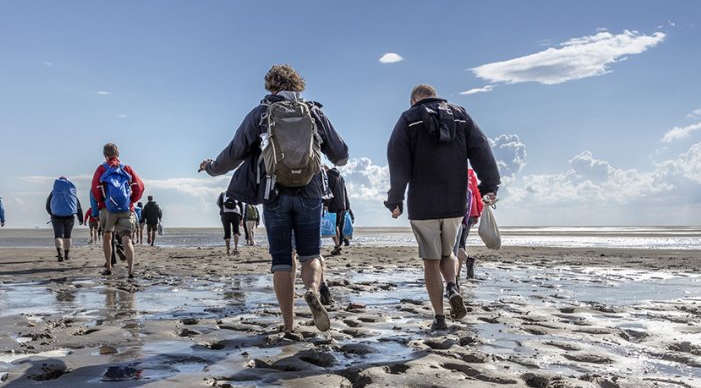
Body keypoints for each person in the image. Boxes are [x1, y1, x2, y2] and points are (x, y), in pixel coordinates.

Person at [199, 64, 348, 334]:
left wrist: (211, 167)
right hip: (311, 190)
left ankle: (289, 325)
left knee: (282, 260)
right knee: (310, 255)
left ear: (271, 85)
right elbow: (341, 154)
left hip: (274, 192)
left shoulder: (261, 114)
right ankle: (313, 290)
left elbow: (233, 154)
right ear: (297, 85)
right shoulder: (314, 113)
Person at [385, 83, 499, 331]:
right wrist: (490, 184)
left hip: (422, 203)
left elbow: (397, 159)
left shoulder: (408, 118)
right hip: (454, 202)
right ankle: (452, 286)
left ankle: (439, 317)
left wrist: (395, 199)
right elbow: (481, 149)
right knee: (449, 254)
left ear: (414, 100)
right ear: (434, 97)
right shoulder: (460, 115)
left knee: (430, 261)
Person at [91, 143, 144, 278]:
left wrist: (103, 202)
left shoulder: (101, 169)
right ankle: (131, 270)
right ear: (117, 154)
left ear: (105, 155)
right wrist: (130, 200)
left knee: (107, 236)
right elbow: (140, 187)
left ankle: (109, 267)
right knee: (126, 238)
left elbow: (95, 190)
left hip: (108, 209)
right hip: (126, 208)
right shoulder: (126, 168)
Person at [45, 176, 84, 261]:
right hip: (70, 217)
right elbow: (77, 206)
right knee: (67, 236)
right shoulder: (71, 192)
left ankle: (60, 253)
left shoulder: (54, 192)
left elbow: (47, 205)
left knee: (58, 235)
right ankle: (66, 255)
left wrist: (51, 213)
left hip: (56, 216)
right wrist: (80, 218)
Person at [456, 168, 484, 281]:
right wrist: (478, 213)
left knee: (455, 244)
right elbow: (477, 194)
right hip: (472, 213)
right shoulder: (471, 175)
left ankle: (468, 261)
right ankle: (456, 274)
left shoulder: (454, 173)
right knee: (461, 243)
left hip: (459, 213)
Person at [323, 165, 351, 255]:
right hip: (341, 205)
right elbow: (345, 191)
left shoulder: (328, 175)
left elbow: (329, 191)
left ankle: (337, 245)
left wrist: (326, 204)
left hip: (333, 204)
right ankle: (338, 245)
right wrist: (347, 205)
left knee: (333, 226)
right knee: (336, 226)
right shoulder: (340, 176)